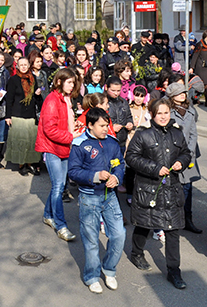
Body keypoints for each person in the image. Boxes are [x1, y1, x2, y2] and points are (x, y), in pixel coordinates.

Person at [125, 97, 191, 290]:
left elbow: (186, 152)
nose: (163, 117)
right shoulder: (143, 134)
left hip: (171, 188)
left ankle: (174, 270)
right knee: (145, 225)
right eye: (159, 113)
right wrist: (154, 168)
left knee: (172, 230)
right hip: (149, 189)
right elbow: (131, 157)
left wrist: (182, 162)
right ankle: (137, 253)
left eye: (166, 113)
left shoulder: (177, 133)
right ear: (152, 115)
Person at [68, 107, 126, 294]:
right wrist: (95, 175)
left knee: (118, 234)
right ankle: (91, 276)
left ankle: (109, 269)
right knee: (91, 240)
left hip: (110, 197)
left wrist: (116, 178)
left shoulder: (112, 143)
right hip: (89, 198)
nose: (105, 129)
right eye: (101, 126)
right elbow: (73, 172)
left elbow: (119, 164)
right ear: (90, 125)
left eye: (106, 125)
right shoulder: (79, 144)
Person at [36, 68, 80, 242]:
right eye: (69, 82)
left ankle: (48, 215)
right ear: (59, 81)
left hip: (64, 147)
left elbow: (65, 123)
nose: (72, 85)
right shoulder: (52, 100)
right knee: (58, 187)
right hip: (52, 147)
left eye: (73, 82)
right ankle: (61, 225)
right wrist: (70, 136)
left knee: (59, 185)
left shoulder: (67, 99)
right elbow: (50, 129)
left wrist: (74, 128)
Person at [166, 81, 201, 234]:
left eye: (184, 92)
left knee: (187, 188)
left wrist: (189, 152)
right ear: (172, 96)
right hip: (172, 156)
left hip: (188, 155)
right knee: (173, 188)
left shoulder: (190, 111)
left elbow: (193, 134)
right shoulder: (167, 111)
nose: (182, 95)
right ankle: (172, 219)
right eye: (179, 93)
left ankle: (187, 219)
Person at [5, 57, 42, 176]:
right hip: (18, 114)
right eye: (21, 65)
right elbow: (9, 99)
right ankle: (21, 165)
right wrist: (8, 116)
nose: (24, 67)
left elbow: (37, 99)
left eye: (25, 64)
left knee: (31, 141)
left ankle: (30, 164)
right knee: (20, 142)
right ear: (17, 66)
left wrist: (38, 94)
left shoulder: (33, 79)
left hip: (31, 115)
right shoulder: (13, 80)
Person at [189, 28, 207, 107]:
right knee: (200, 84)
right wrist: (192, 67)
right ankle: (196, 99)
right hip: (200, 67)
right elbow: (195, 56)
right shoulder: (200, 45)